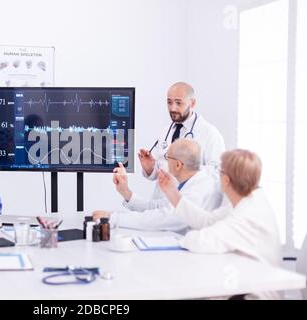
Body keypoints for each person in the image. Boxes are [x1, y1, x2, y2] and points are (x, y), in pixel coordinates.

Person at [158, 149, 282, 299]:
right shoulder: (246, 201)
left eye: (219, 171)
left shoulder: (247, 214)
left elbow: (202, 241)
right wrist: (173, 192)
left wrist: (181, 239)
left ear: (226, 180)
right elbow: (207, 221)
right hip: (240, 282)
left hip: (252, 294)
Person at [129, 82, 225, 212]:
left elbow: (216, 174)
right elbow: (160, 171)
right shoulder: (166, 130)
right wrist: (150, 169)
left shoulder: (209, 134)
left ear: (192, 103)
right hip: (160, 203)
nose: (173, 108)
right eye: (169, 102)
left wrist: (184, 169)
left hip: (188, 205)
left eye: (179, 103)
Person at [93, 139, 223, 232]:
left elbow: (162, 218)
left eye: (167, 157)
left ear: (178, 165)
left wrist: (112, 218)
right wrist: (126, 192)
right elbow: (159, 207)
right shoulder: (189, 182)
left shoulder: (198, 190)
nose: (164, 161)